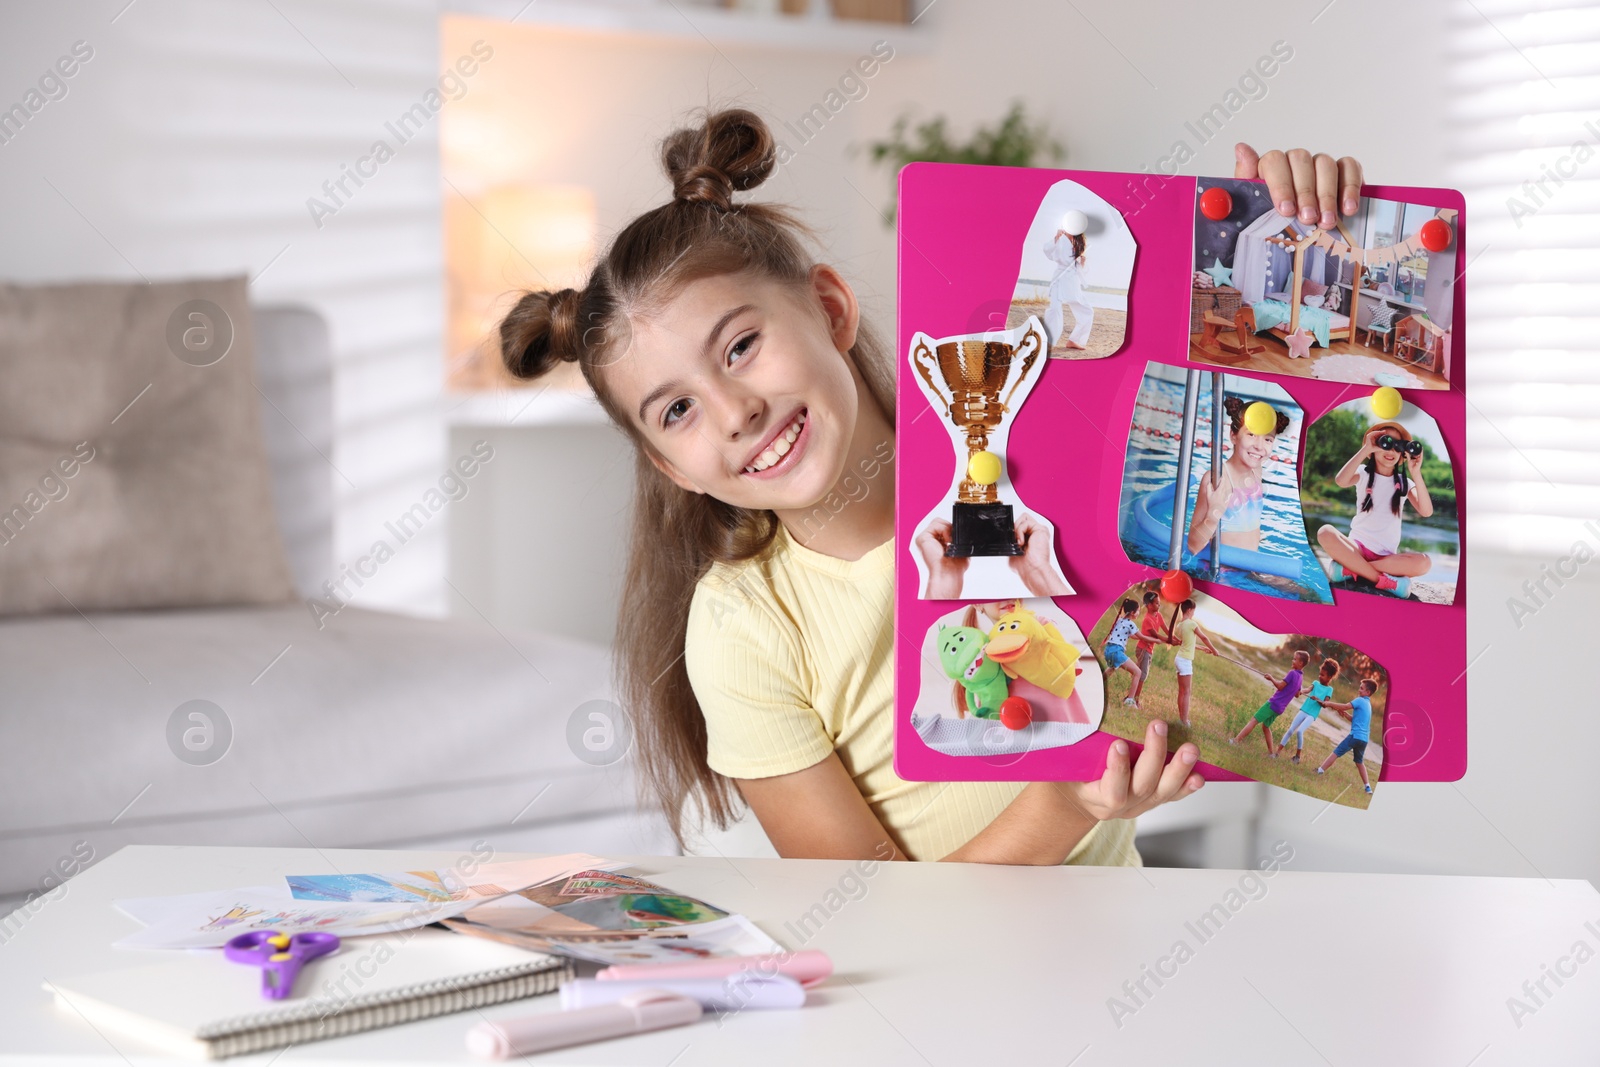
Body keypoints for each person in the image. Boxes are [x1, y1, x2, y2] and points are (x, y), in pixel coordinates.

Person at [495, 106, 1364, 866]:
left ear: (830, 310)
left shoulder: (1039, 464)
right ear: (668, 466)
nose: (734, 411)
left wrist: (1285, 220)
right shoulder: (742, 628)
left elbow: (1190, 517)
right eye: (677, 409)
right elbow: (868, 903)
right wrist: (1063, 800)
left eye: (740, 347)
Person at [1315, 422, 1434, 599]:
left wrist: (1415, 472)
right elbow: (1341, 481)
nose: (1391, 450)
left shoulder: (1404, 483)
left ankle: (1352, 569)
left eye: (1398, 446)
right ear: (1374, 448)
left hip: (1387, 559)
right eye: (1385, 443)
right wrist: (1365, 449)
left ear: (1403, 453)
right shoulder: (1363, 473)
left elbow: (1426, 511)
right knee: (1325, 532)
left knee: (1424, 563)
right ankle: (1386, 582)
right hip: (1357, 549)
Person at [1187, 396, 1292, 556]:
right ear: (1233, 435)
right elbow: (1193, 546)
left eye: (1268, 439)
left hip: (1250, 567)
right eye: (1251, 435)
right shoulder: (1216, 479)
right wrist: (1213, 514)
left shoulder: (1256, 471)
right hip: (1223, 572)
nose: (1259, 446)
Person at [1231, 650, 1310, 756]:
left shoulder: (1292, 673)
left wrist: (1271, 678)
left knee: (1254, 720)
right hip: (1280, 709)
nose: (1293, 660)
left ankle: (1235, 741)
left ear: (1301, 663)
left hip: (1273, 703)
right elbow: (1297, 694)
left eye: (1295, 659)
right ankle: (1271, 753)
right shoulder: (1301, 677)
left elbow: (1280, 686)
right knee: (1266, 726)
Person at [1317, 677, 1379, 794]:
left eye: (1361, 688)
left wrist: (1329, 703)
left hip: (1355, 736)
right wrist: (1345, 715)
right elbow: (1356, 720)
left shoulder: (1360, 700)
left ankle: (1320, 770)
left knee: (1336, 752)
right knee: (1359, 762)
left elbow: (1345, 706)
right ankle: (1368, 787)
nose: (1359, 690)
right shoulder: (1368, 704)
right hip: (1364, 740)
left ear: (1368, 692)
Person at [1278, 658, 1339, 764]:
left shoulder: (1329, 690)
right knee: (1291, 730)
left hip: (1312, 714)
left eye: (1323, 675)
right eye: (1320, 674)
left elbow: (1325, 704)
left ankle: (1297, 756)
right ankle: (1277, 752)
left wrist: (1318, 700)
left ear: (1329, 677)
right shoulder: (1315, 683)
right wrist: (1301, 691)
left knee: (1300, 731)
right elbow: (1307, 689)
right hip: (1304, 709)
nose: (1320, 676)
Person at [1043, 223, 1092, 351]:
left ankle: (1074, 340)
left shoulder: (1078, 242)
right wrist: (1056, 238)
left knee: (1087, 311)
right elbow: (1047, 252)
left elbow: (1079, 269)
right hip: (1059, 280)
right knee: (1054, 310)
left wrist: (1082, 263)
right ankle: (1047, 341)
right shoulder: (1061, 238)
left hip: (1072, 281)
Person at [1169, 598, 1216, 727]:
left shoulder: (1180, 625)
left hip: (1179, 659)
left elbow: (1187, 644)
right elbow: (1204, 637)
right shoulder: (1191, 624)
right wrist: (1214, 650)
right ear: (1189, 610)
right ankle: (1184, 721)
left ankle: (1182, 719)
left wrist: (1203, 648)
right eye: (1193, 611)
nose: (1194, 613)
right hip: (1184, 661)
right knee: (1187, 692)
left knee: (1182, 691)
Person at [1101, 598, 1144, 709]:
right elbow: (1141, 636)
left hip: (1108, 650)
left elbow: (1133, 636)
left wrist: (1143, 638)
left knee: (1111, 668)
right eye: (1138, 611)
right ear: (1133, 612)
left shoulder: (1119, 620)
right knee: (1137, 672)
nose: (1139, 613)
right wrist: (1155, 640)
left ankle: (1098, 683)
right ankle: (1129, 701)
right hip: (1116, 651)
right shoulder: (1130, 624)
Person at [1130, 591, 1165, 705]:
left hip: (1149, 650)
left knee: (1141, 674)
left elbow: (1166, 631)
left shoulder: (1158, 616)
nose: (1158, 605)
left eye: (1159, 603)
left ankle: (1132, 697)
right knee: (1141, 675)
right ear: (1149, 605)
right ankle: (1135, 700)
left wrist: (1175, 639)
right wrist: (1169, 640)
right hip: (1143, 650)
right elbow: (1157, 636)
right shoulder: (1147, 620)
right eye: (1156, 603)